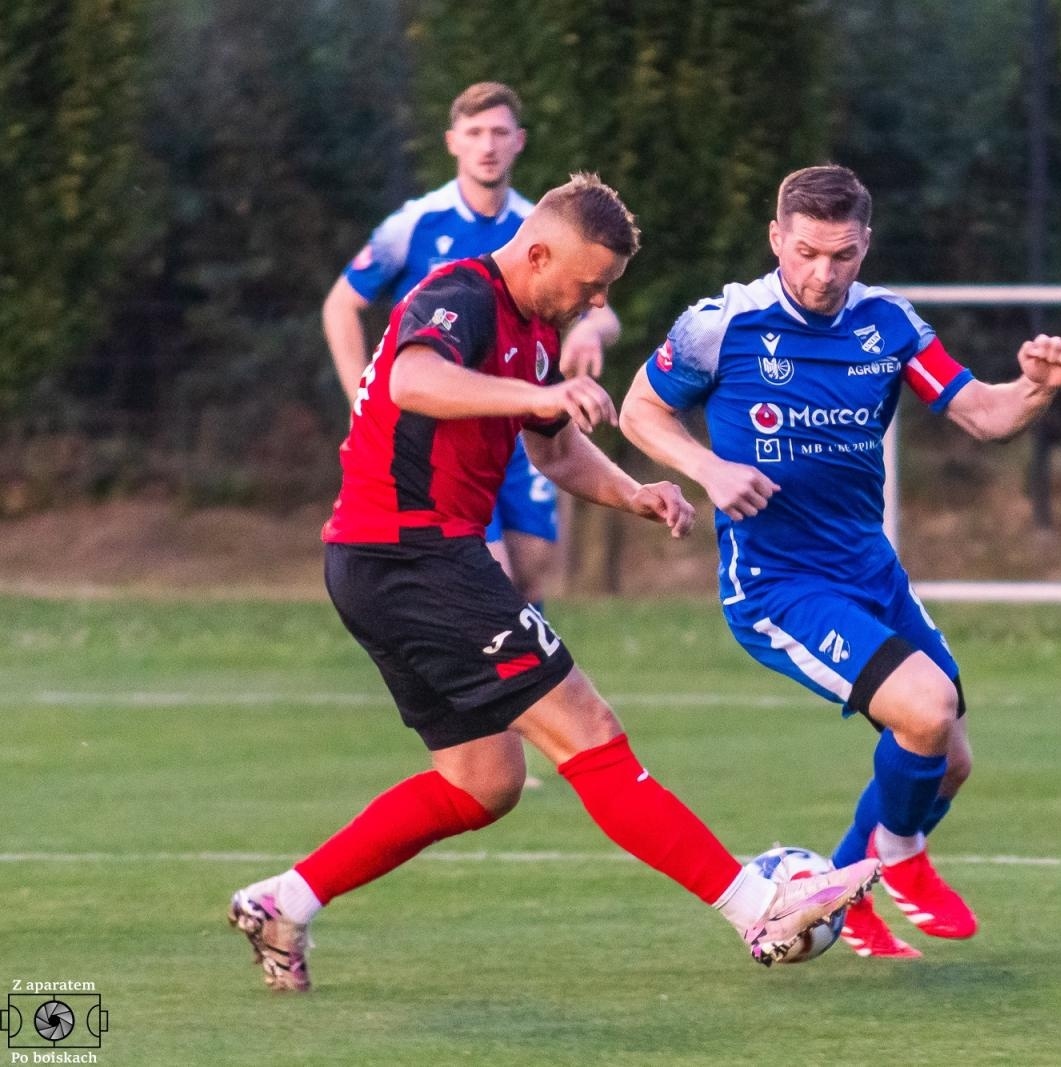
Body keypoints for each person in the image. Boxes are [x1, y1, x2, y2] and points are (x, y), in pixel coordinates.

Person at [230, 173, 879, 991]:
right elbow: (411, 380)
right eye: (590, 283)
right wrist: (541, 390)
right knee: (589, 729)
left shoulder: (533, 329)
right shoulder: (459, 294)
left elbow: (558, 451)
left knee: (484, 781)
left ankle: (282, 900)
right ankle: (760, 909)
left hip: (387, 563)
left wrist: (636, 493)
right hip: (414, 555)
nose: (596, 301)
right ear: (538, 252)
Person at [619, 164, 1061, 960]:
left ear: (865, 244)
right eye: (805, 252)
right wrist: (709, 468)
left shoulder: (890, 325)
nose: (821, 273)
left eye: (841, 255)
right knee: (927, 711)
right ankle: (897, 857)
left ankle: (845, 889)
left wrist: (1035, 390)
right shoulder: (722, 324)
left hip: (869, 570)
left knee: (949, 762)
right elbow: (640, 409)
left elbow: (982, 412)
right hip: (778, 584)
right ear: (776, 239)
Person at [322, 80, 616, 610]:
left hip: (520, 431)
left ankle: (519, 675)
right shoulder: (416, 224)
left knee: (530, 573)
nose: (487, 145)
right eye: (475, 132)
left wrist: (593, 330)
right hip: (448, 422)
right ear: (452, 141)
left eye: (499, 132)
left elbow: (597, 304)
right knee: (487, 576)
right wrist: (362, 397)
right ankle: (510, 682)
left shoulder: (542, 224)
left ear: (519, 142)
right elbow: (341, 304)